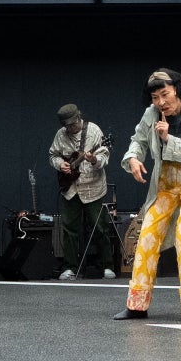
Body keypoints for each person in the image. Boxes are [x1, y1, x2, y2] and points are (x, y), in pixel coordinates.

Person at [113, 68, 181, 323]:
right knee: (146, 236)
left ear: (176, 89)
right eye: (155, 97)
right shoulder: (151, 113)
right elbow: (138, 140)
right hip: (165, 183)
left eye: (165, 94)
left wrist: (167, 139)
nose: (161, 102)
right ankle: (137, 305)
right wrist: (133, 158)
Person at [48, 103, 118, 280]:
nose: (70, 128)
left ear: (79, 117)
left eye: (72, 124)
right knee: (69, 229)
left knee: (100, 227)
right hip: (70, 189)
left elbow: (104, 155)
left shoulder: (94, 131)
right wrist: (60, 165)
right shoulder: (60, 135)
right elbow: (53, 155)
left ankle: (107, 266)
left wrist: (94, 159)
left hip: (93, 188)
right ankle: (70, 267)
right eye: (67, 126)